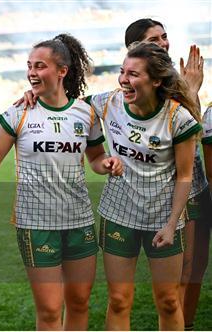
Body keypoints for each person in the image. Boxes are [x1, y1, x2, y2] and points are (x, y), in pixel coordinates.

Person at [0, 34, 122, 330]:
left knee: (80, 302)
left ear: (62, 71)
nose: (31, 72)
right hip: (36, 224)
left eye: (40, 66)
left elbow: (95, 158)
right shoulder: (20, 112)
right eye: (29, 66)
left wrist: (105, 164)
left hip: (79, 220)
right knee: (50, 309)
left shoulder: (86, 113)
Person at [84, 42, 201, 330]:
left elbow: (185, 176)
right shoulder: (109, 102)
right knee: (119, 299)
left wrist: (173, 223)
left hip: (163, 219)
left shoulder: (178, 118)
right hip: (119, 215)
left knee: (169, 300)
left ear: (156, 80)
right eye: (122, 72)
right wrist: (32, 96)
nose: (124, 80)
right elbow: (69, 105)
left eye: (133, 74)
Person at [125, 18, 208, 330]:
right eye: (154, 39)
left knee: (194, 266)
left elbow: (193, 130)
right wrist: (191, 90)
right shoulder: (139, 88)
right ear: (135, 49)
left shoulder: (174, 81)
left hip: (193, 183)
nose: (164, 43)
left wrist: (191, 89)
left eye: (164, 37)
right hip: (160, 192)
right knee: (172, 277)